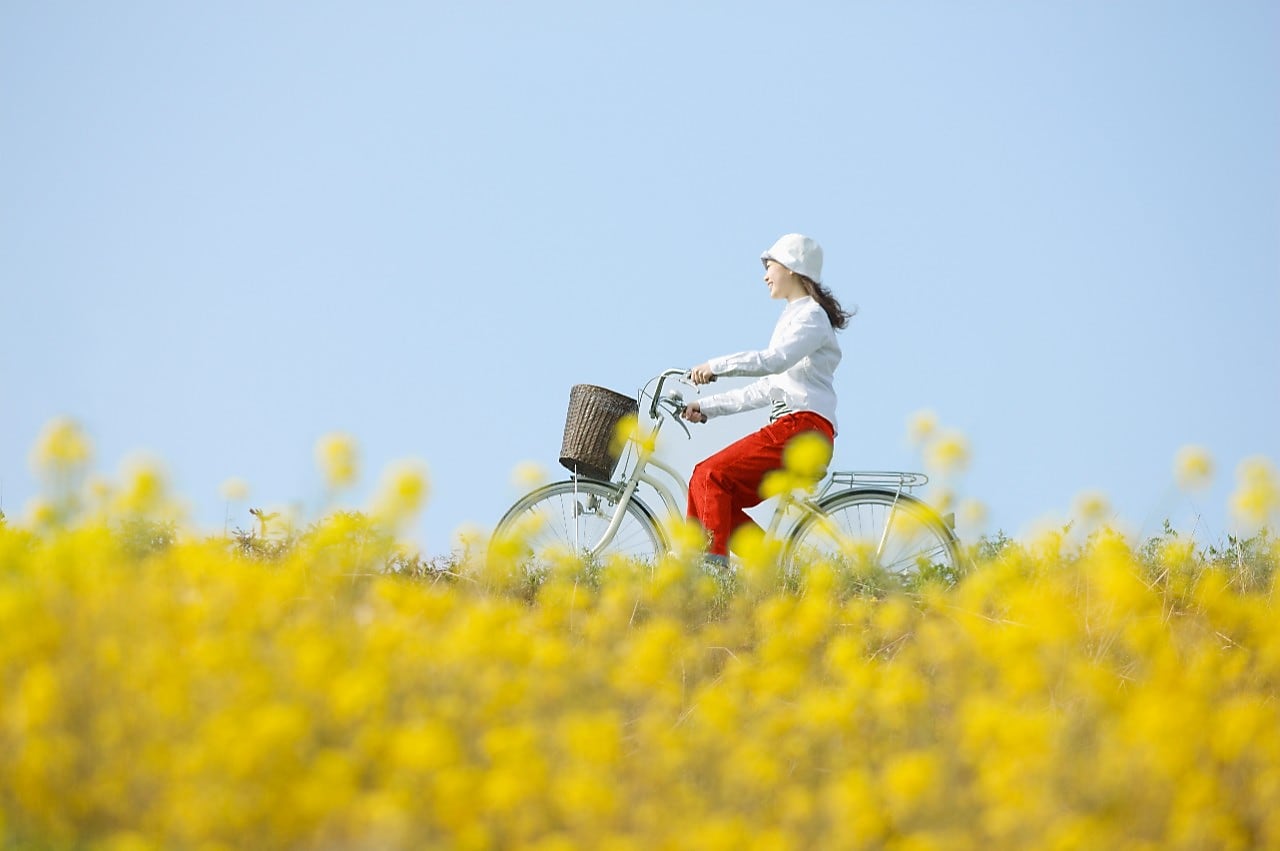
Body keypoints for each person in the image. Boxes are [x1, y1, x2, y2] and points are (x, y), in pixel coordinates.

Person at [681, 233, 855, 560]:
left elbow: (772, 361)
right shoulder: (794, 316)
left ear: (792, 268)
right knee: (705, 485)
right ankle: (769, 565)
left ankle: (711, 573)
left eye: (769, 265)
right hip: (795, 427)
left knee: (710, 475)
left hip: (802, 428)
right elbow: (766, 388)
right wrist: (706, 407)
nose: (764, 275)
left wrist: (715, 366)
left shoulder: (811, 317)